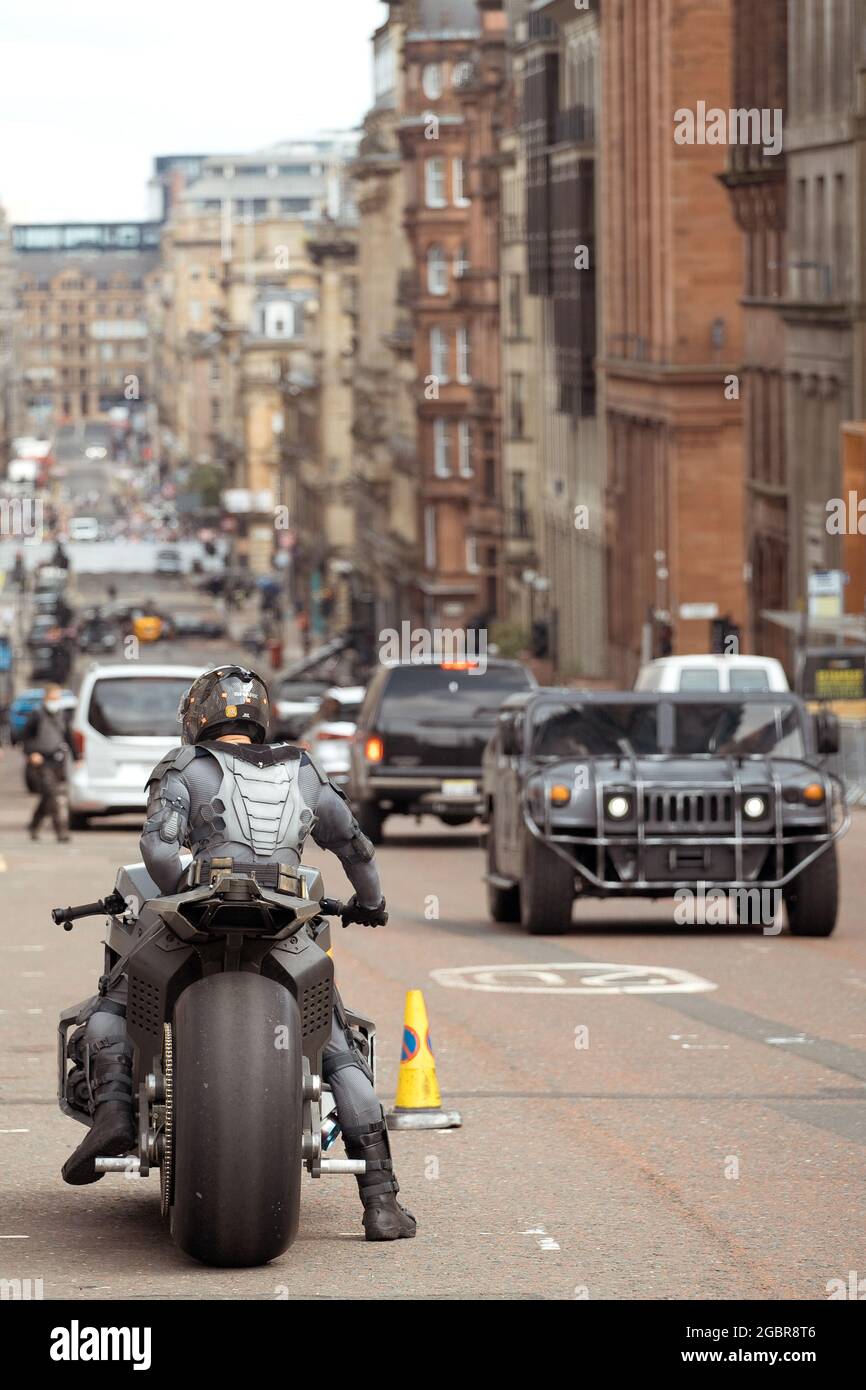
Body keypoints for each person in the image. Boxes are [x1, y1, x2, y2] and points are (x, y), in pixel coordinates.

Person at [61, 666, 416, 1243]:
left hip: (193, 919)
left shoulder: (183, 767)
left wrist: (183, 892)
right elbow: (354, 844)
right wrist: (370, 903)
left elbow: (157, 846)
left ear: (197, 717)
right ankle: (380, 1200)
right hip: (285, 926)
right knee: (335, 1044)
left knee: (116, 1000)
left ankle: (115, 1115)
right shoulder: (302, 768)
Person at [22, 684, 77, 842]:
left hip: (57, 760)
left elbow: (69, 737)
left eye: (58, 698)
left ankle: (34, 824)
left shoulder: (62, 715)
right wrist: (31, 753)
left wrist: (77, 757)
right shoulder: (36, 715)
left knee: (48, 796)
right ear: (46, 698)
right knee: (52, 794)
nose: (56, 701)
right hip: (41, 760)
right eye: (53, 697)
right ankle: (61, 831)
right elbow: (25, 737)